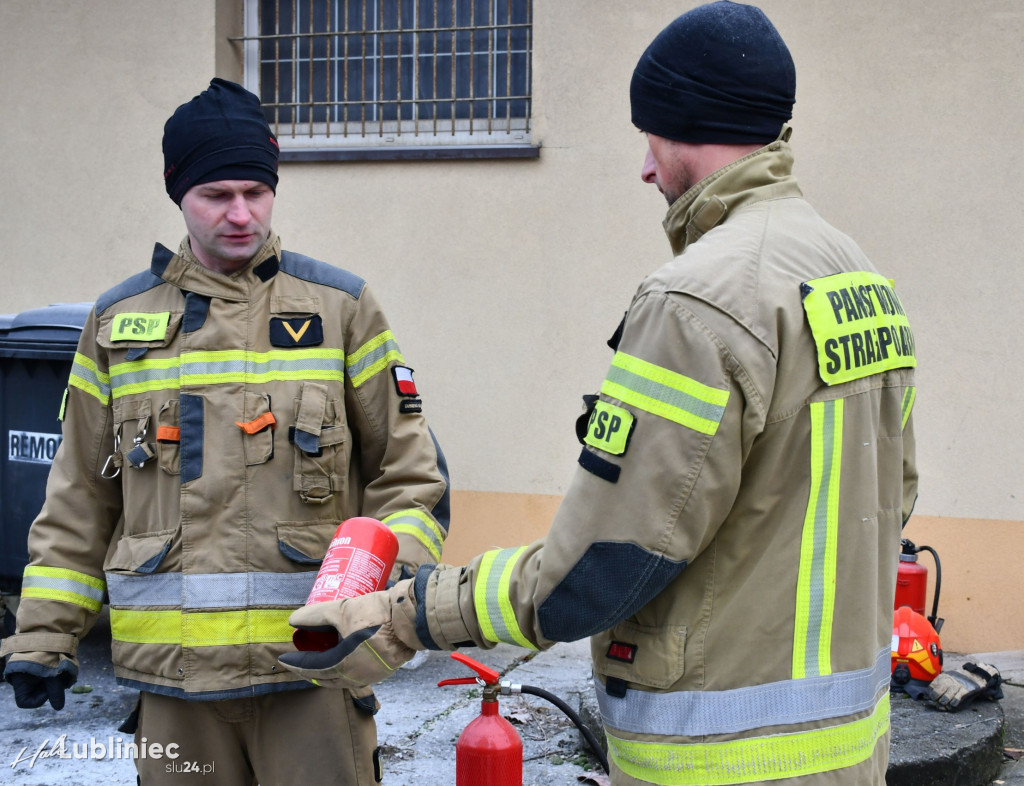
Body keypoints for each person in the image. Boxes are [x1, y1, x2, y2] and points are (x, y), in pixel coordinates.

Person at [279, 3, 918, 784]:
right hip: (847, 753)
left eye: (651, 138)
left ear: (687, 124)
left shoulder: (695, 303)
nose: (646, 168)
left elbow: (597, 570)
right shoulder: (857, 276)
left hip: (722, 759)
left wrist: (405, 614)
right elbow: (894, 498)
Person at [0, 78, 451, 785]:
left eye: (256, 192)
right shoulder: (117, 324)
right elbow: (80, 496)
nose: (241, 214)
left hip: (313, 675)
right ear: (178, 193)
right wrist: (44, 633)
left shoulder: (340, 308)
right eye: (216, 195)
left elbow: (410, 477)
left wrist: (385, 605)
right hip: (173, 688)